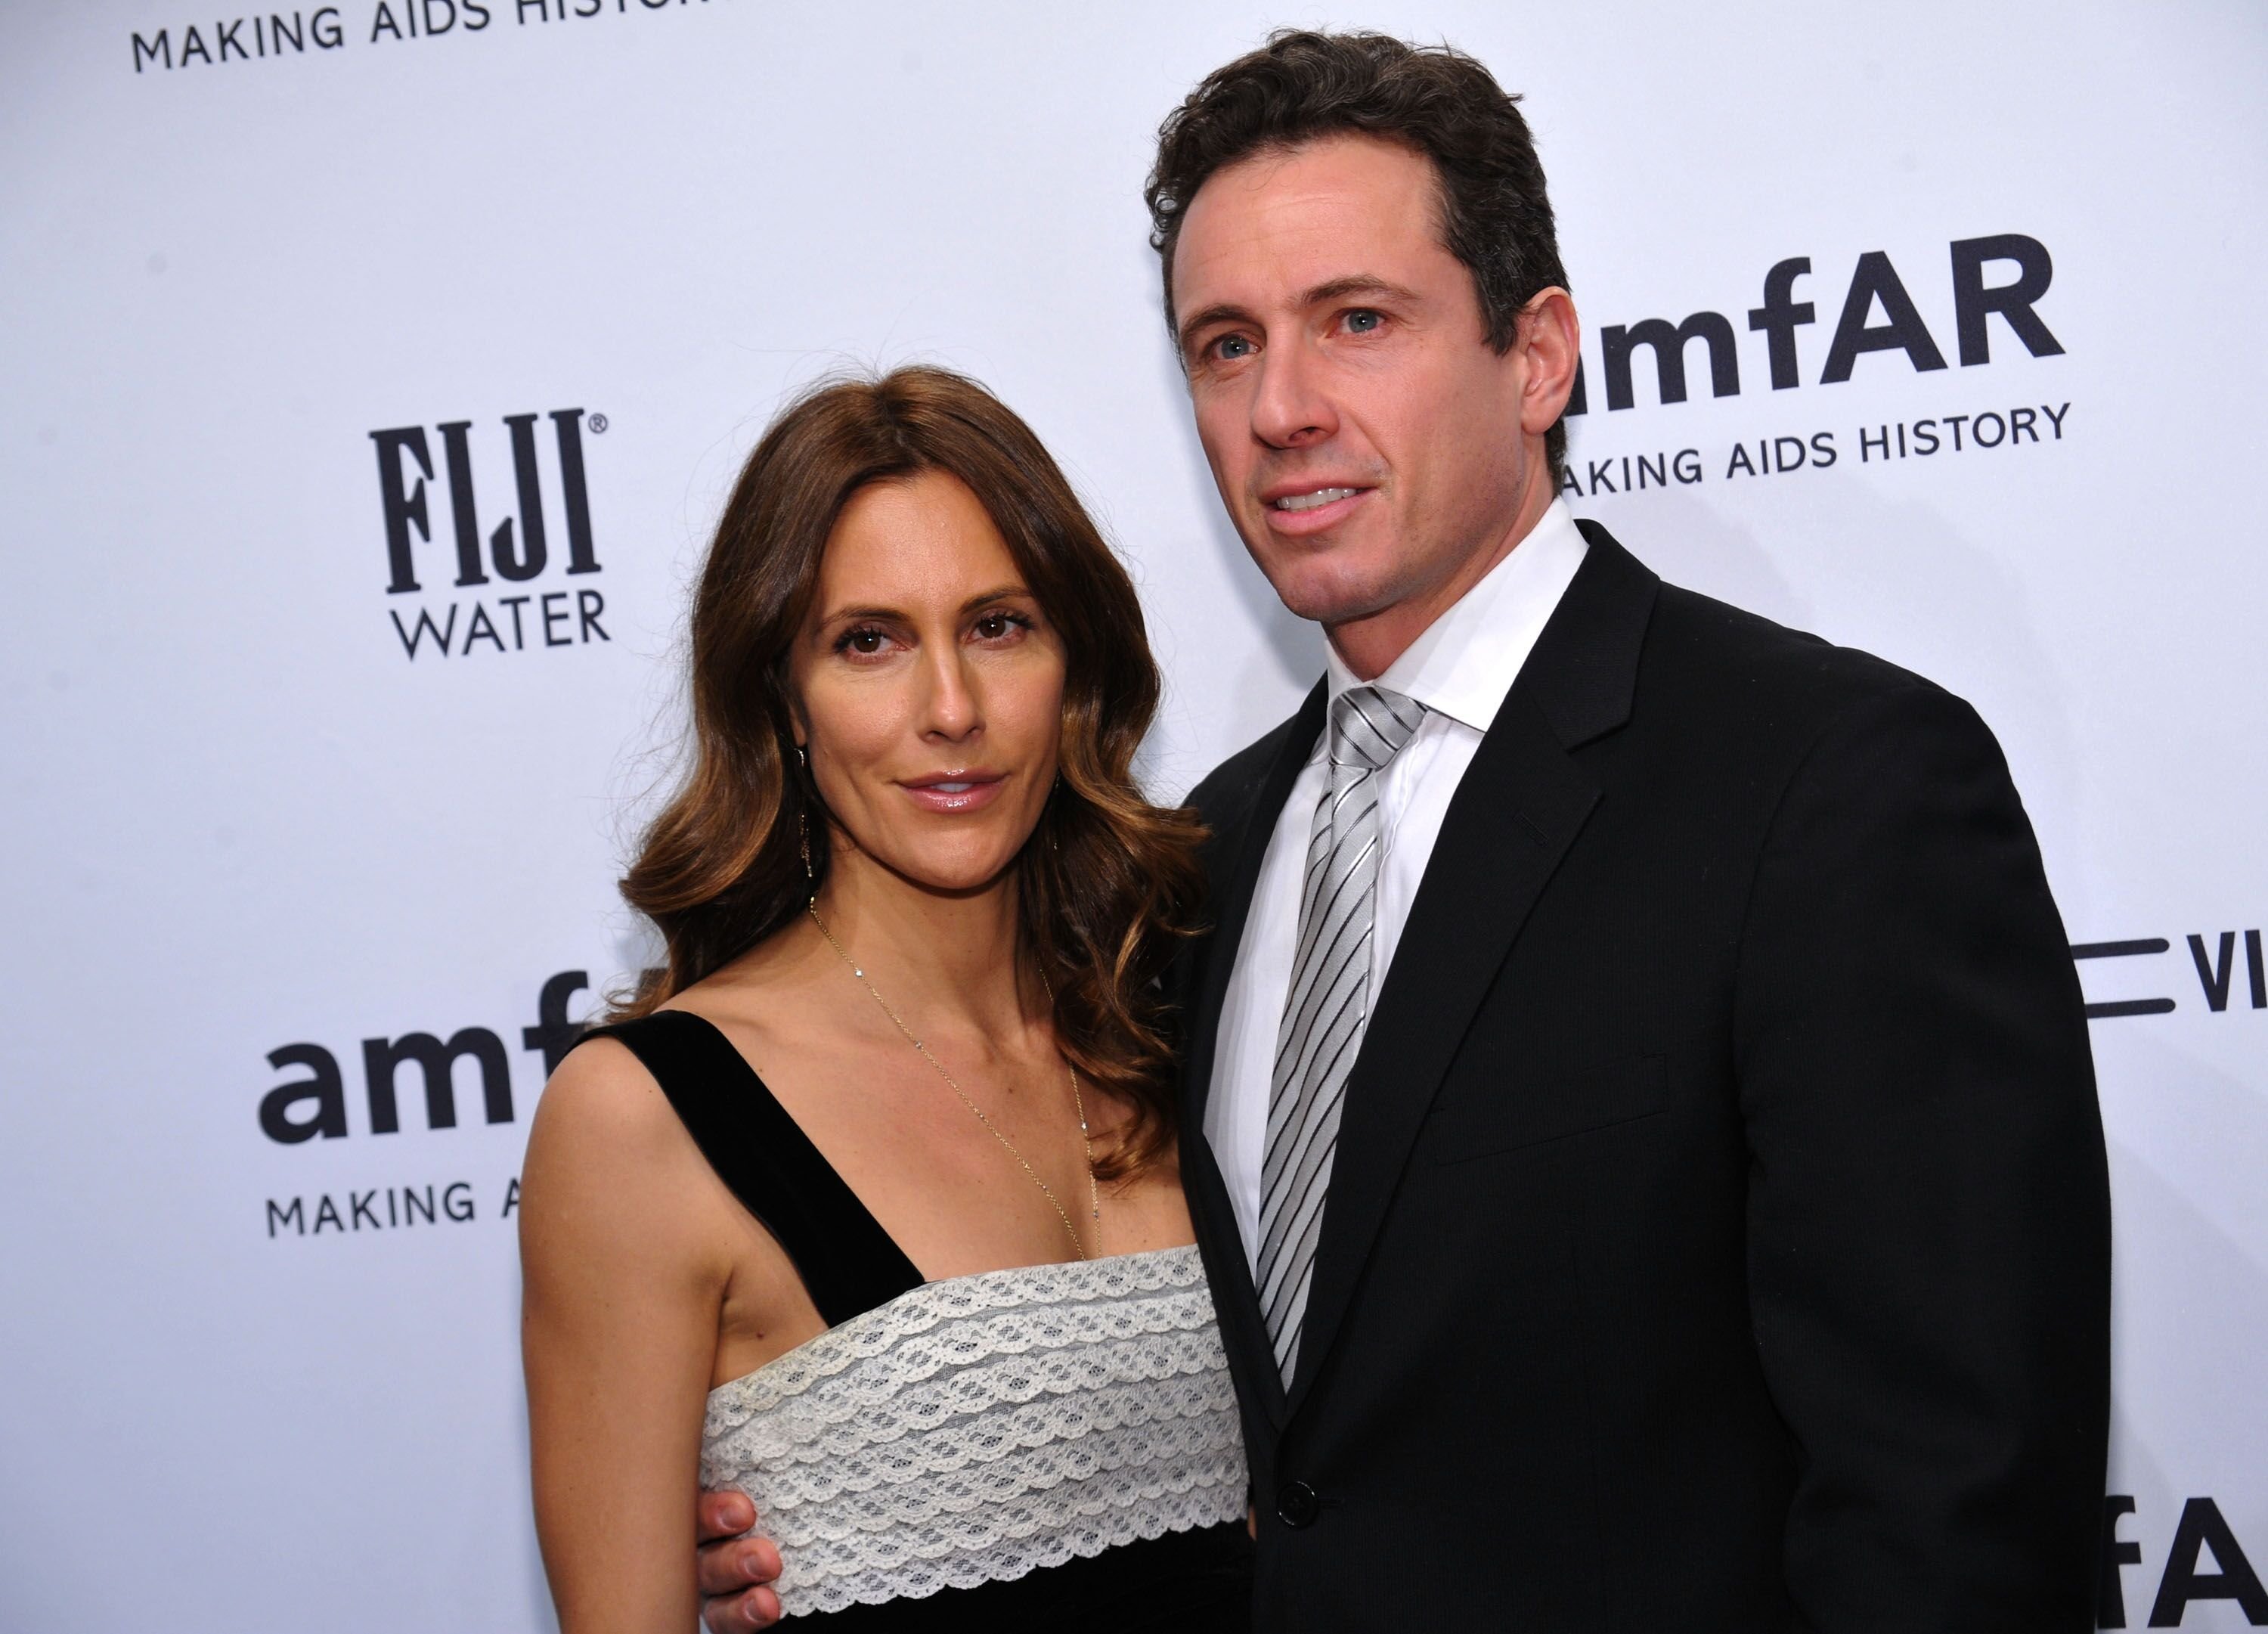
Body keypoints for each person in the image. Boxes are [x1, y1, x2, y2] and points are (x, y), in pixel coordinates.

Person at [697, 30, 2112, 1633]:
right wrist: (842, 1502)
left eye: (1357, 322)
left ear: (1539, 356)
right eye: (1224, 347)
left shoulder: (1830, 788)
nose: (1282, 407)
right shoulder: (1195, 863)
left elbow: (1962, 1510)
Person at [519, 366, 1255, 1630]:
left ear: (1075, 668)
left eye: (998, 625)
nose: (951, 710)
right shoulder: (645, 1121)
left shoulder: (1185, 1010)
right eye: (870, 642)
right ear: (782, 700)